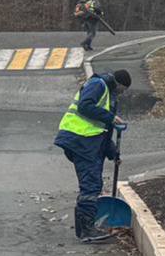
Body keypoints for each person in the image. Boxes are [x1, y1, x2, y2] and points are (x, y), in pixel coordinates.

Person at [53, 68, 131, 243]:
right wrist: (110, 117)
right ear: (119, 84)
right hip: (80, 140)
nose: (122, 93)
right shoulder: (98, 84)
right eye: (123, 89)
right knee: (91, 184)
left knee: (91, 183)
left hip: (87, 142)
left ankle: (83, 228)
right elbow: (85, 106)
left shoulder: (109, 93)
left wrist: (113, 153)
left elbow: (102, 130)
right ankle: (87, 230)